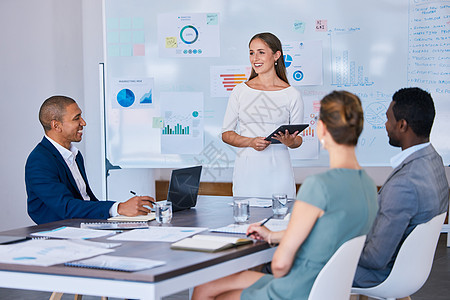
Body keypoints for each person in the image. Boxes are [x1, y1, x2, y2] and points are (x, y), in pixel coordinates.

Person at [193, 91, 379, 300]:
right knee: (206, 287)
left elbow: (280, 266)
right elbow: (328, 230)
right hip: (328, 288)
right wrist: (272, 236)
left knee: (206, 293)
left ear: (322, 129)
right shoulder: (368, 186)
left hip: (297, 288)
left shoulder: (318, 187)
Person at [353, 87, 449, 288]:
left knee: (299, 264)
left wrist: (335, 246)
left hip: (382, 274)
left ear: (403, 125)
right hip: (411, 268)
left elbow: (375, 259)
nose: (386, 125)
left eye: (388, 119)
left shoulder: (405, 183)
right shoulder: (433, 160)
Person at [25, 95, 155, 224]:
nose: (83, 123)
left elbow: (86, 200)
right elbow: (66, 207)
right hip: (58, 233)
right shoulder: (39, 161)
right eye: (77, 118)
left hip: (82, 227)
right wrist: (119, 208)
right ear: (56, 126)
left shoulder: (75, 155)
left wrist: (124, 213)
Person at [221, 32, 304, 199]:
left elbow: (297, 139)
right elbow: (226, 134)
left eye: (261, 52)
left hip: (279, 172)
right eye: (251, 53)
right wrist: (250, 142)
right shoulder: (240, 91)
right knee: (246, 222)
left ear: (276, 55)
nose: (255, 58)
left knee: (281, 221)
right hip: (247, 173)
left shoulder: (292, 94)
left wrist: (290, 141)